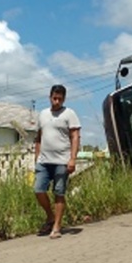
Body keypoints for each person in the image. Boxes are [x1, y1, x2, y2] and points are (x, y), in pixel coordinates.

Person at [33, 84, 81, 239]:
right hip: (44, 161)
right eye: (54, 98)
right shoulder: (43, 114)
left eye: (60, 98)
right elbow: (39, 138)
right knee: (38, 190)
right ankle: (50, 216)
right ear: (50, 97)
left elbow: (75, 137)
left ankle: (56, 226)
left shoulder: (69, 114)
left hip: (62, 161)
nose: (57, 101)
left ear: (64, 98)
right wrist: (36, 157)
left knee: (59, 192)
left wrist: (72, 159)